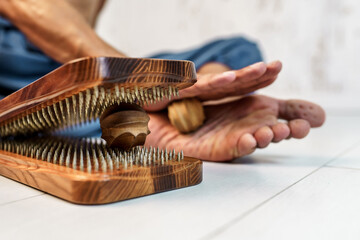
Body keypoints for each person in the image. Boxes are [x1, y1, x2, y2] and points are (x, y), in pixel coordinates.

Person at [0, 0, 325, 161]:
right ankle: (139, 99)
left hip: (78, 80)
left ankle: (160, 112)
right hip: (14, 58)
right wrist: (135, 78)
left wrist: (196, 88)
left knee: (238, 49)